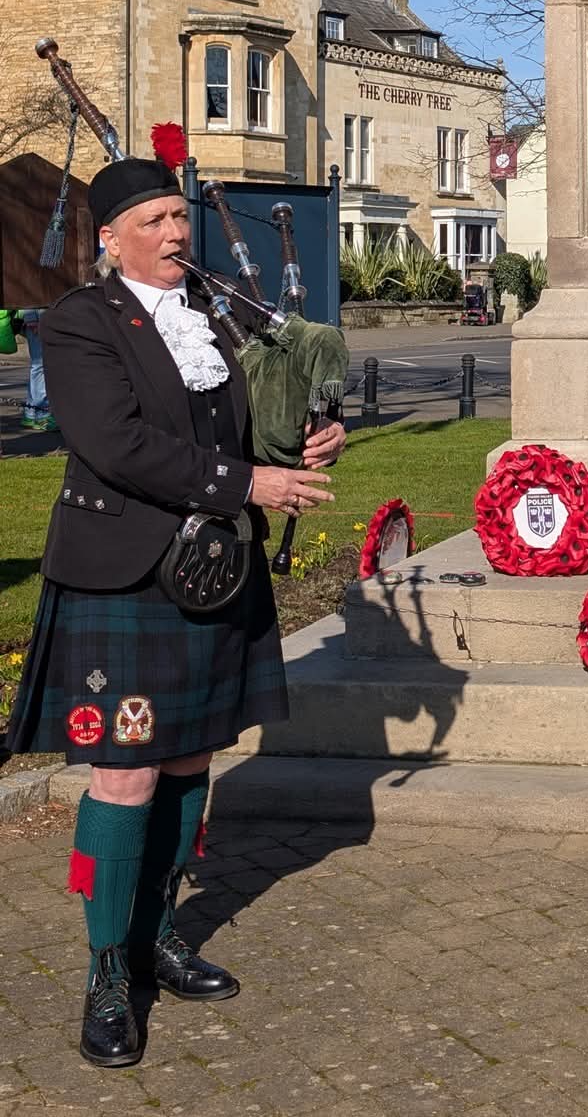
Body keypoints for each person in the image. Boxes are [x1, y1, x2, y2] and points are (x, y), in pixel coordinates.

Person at [2, 157, 344, 1069]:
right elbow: (113, 444)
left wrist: (301, 439)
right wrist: (249, 479)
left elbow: (241, 432)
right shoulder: (80, 322)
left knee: (191, 757)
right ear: (110, 237)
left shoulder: (212, 320)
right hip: (127, 575)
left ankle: (159, 936)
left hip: (214, 569)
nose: (174, 233)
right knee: (125, 776)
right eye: (152, 220)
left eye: (178, 216)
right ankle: (107, 971)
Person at [18, 306, 54, 431]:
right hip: (39, 317)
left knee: (39, 366)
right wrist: (31, 318)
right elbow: (29, 296)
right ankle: (42, 415)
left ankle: (31, 413)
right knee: (41, 366)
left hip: (40, 317)